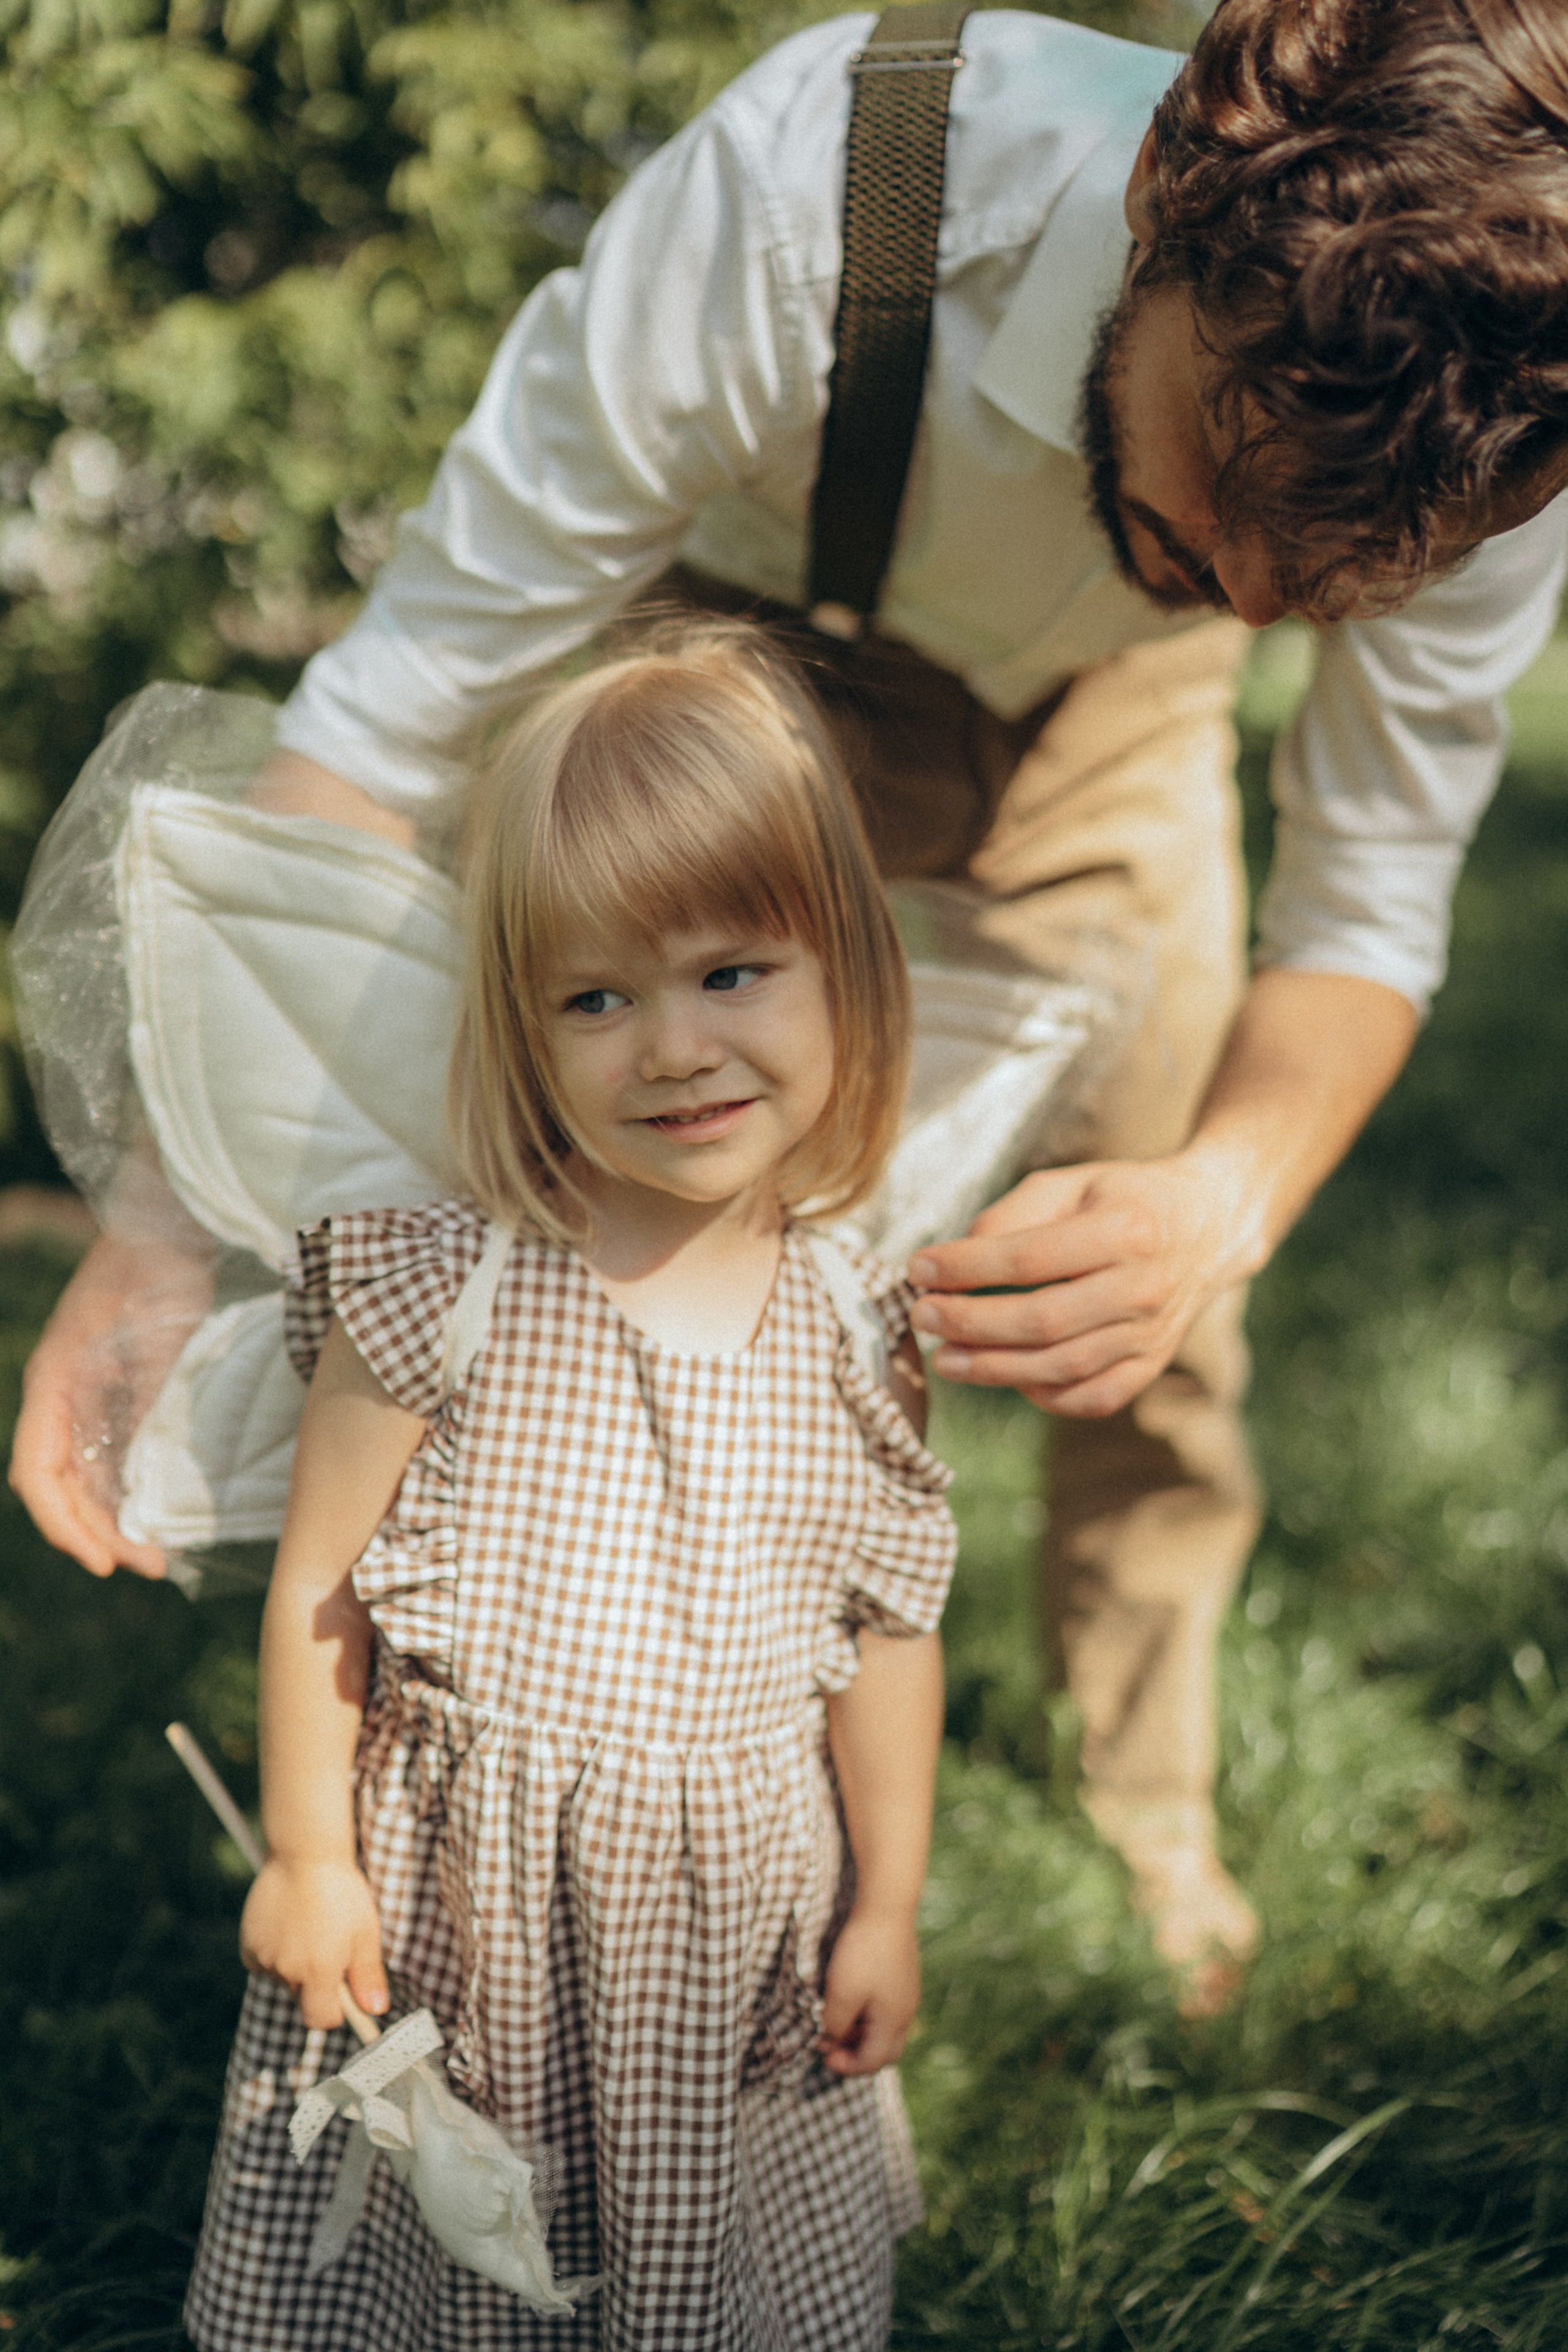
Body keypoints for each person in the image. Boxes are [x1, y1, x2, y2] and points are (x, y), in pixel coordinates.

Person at [15, 0, 1568, 1999]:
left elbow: (1369, 900)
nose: (1266, 605)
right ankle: (464, 1800)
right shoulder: (836, 181)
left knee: (1163, 1310)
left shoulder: (1496, 405)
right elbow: (398, 707)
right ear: (1174, 201)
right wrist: (153, 1229)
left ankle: (1152, 1800)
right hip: (717, 682)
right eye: (1234, 490)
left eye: (1336, 581)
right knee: (547, 1250)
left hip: (1107, 736)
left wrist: (1225, 1201)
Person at [182, 621, 958, 2350]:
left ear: (846, 967)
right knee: (462, 2261)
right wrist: (312, 1853)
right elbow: (327, 1585)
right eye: (596, 998)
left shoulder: (855, 1313)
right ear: (520, 1031)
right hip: (481, 1929)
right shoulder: (437, 1292)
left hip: (731, 1933)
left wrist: (889, 1899)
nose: (670, 1047)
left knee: (718, 2255)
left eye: (732, 972)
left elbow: (887, 1624)